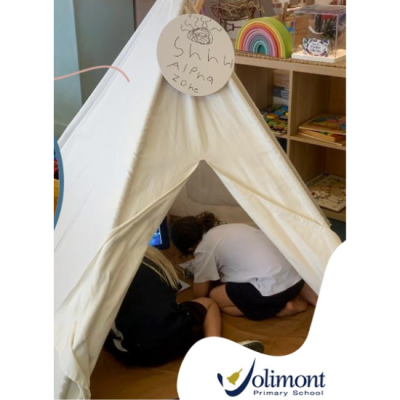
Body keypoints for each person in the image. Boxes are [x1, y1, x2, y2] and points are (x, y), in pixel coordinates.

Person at [170, 213, 318, 321]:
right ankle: (291, 300)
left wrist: (199, 275)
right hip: (296, 280)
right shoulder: (231, 227)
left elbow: (200, 294)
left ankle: (282, 310)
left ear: (189, 248)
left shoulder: (204, 247)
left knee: (216, 296)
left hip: (270, 292)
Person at [105, 246, 221, 367]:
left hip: (135, 354)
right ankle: (212, 352)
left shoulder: (103, 273)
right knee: (208, 303)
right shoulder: (154, 260)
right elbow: (171, 298)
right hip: (179, 340)